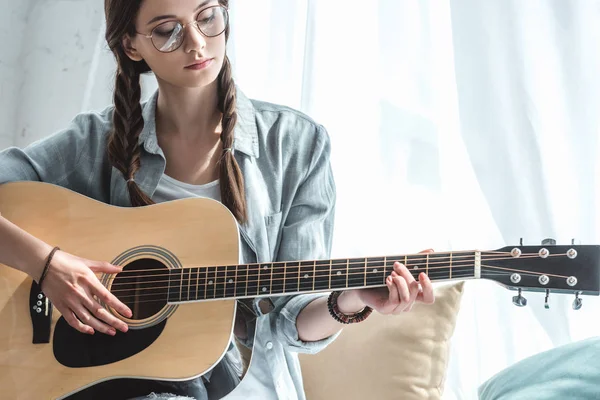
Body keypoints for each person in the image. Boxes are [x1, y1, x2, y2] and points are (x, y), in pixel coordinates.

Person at [0, 1, 435, 399]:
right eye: (167, 30)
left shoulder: (298, 145)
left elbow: (290, 320)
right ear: (131, 46)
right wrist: (46, 264)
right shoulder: (97, 142)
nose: (196, 42)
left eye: (207, 16)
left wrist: (352, 297)